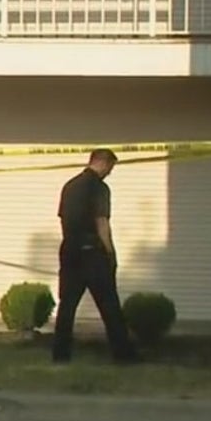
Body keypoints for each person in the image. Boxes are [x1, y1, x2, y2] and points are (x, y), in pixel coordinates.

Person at [51, 148, 140, 364]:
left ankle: (60, 354)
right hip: (92, 253)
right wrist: (110, 252)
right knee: (109, 304)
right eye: (110, 167)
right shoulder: (100, 188)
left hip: (70, 250)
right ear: (103, 163)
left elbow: (63, 219)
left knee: (67, 305)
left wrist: (72, 244)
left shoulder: (70, 186)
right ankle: (123, 354)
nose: (110, 172)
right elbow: (102, 222)